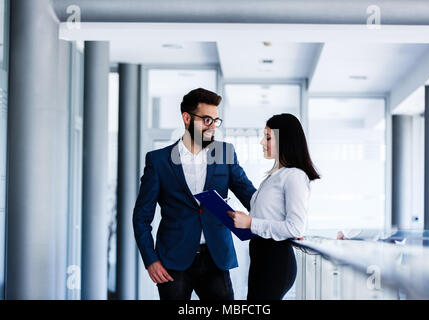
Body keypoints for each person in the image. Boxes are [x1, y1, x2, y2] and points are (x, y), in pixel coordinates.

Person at [133, 88, 256, 300]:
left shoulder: (224, 153)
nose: (212, 127)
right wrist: (150, 259)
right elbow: (141, 217)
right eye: (207, 119)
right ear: (187, 118)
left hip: (216, 257)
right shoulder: (159, 160)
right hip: (173, 261)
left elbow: (249, 194)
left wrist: (283, 221)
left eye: (216, 121)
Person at [228, 113, 320, 300]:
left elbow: (295, 227)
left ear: (284, 139)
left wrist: (250, 223)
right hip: (261, 257)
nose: (262, 142)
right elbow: (267, 215)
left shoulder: (294, 176)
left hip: (275, 260)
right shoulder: (274, 176)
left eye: (268, 137)